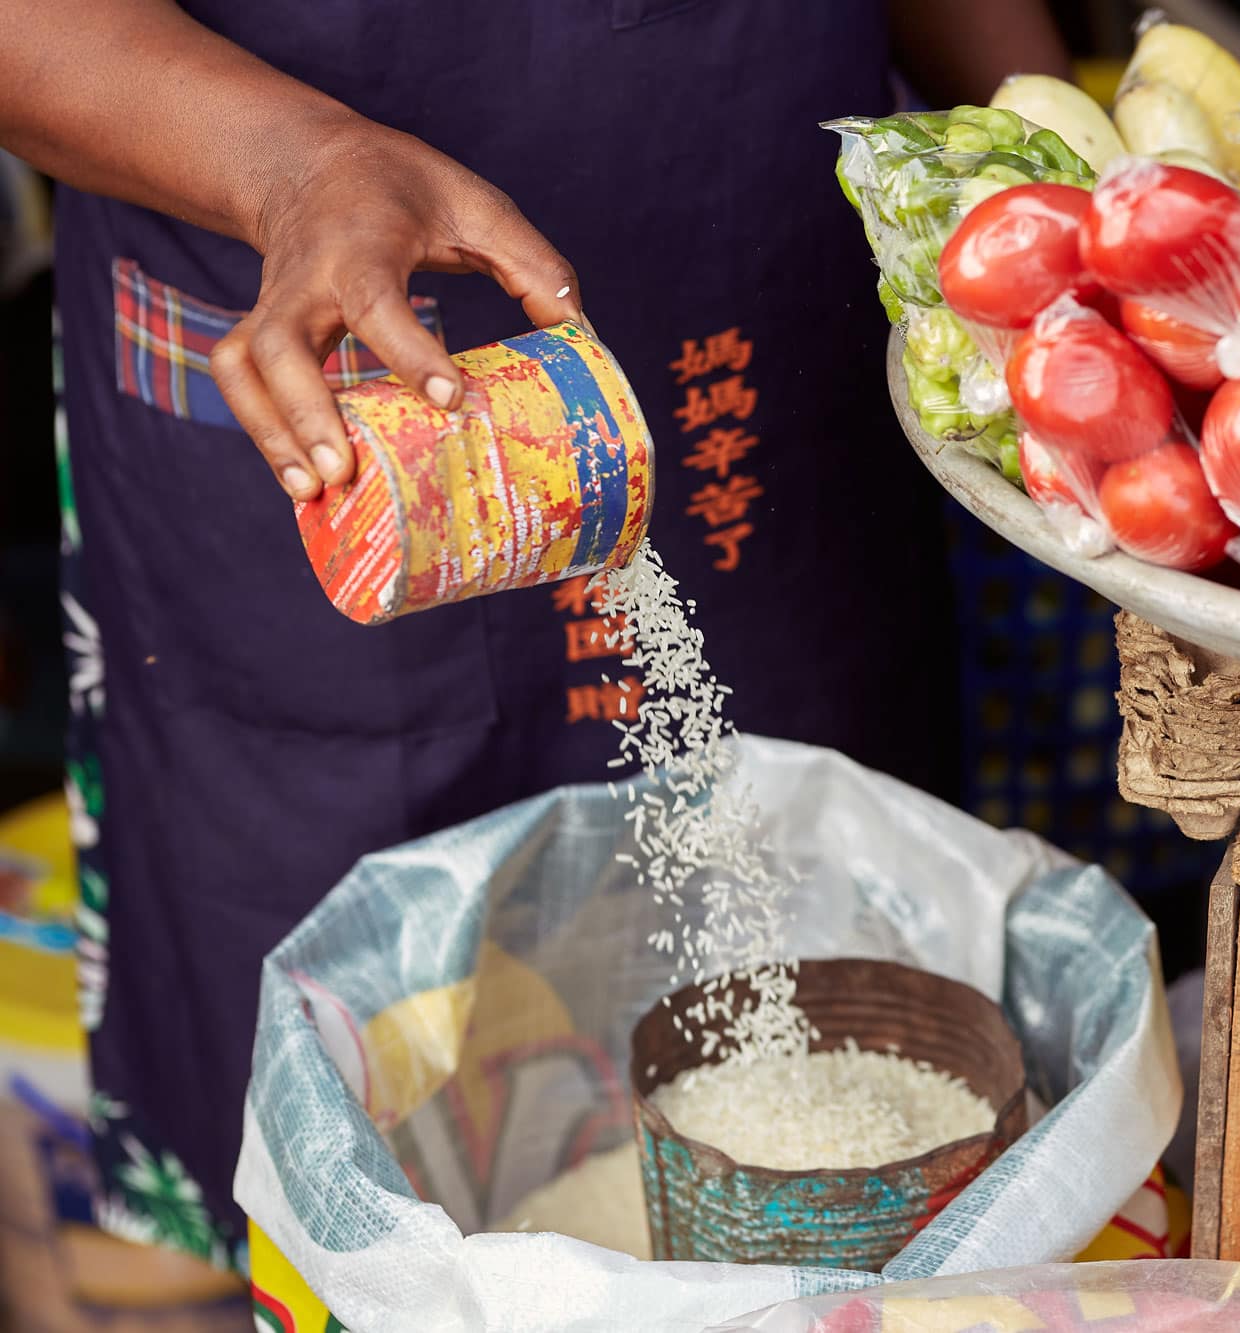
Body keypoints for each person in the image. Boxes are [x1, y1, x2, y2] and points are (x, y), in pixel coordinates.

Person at [0, 0, 1068, 1275]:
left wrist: (1053, 154)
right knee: (356, 1148)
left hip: (761, 316)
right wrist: (295, 165)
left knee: (815, 940)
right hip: (321, 332)